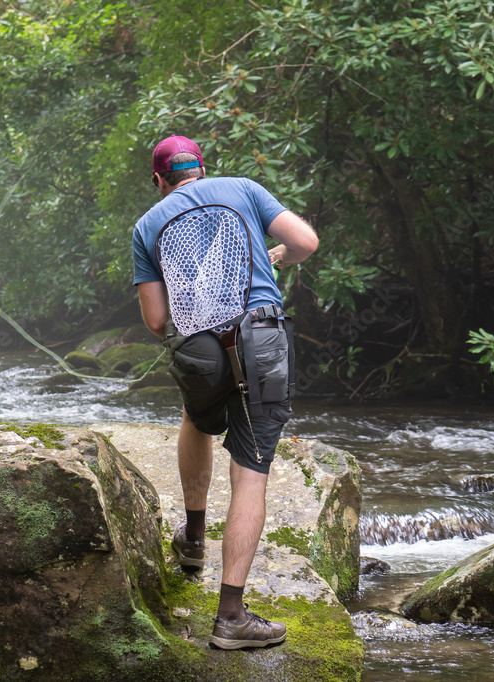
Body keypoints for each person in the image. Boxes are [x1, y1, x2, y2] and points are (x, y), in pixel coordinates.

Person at [132, 135, 318, 650]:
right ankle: (231, 618)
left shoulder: (148, 225)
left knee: (196, 418)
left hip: (198, 351)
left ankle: (192, 540)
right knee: (251, 472)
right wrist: (275, 254)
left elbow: (154, 320)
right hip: (260, 339)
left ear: (159, 180)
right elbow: (306, 244)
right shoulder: (244, 187)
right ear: (203, 169)